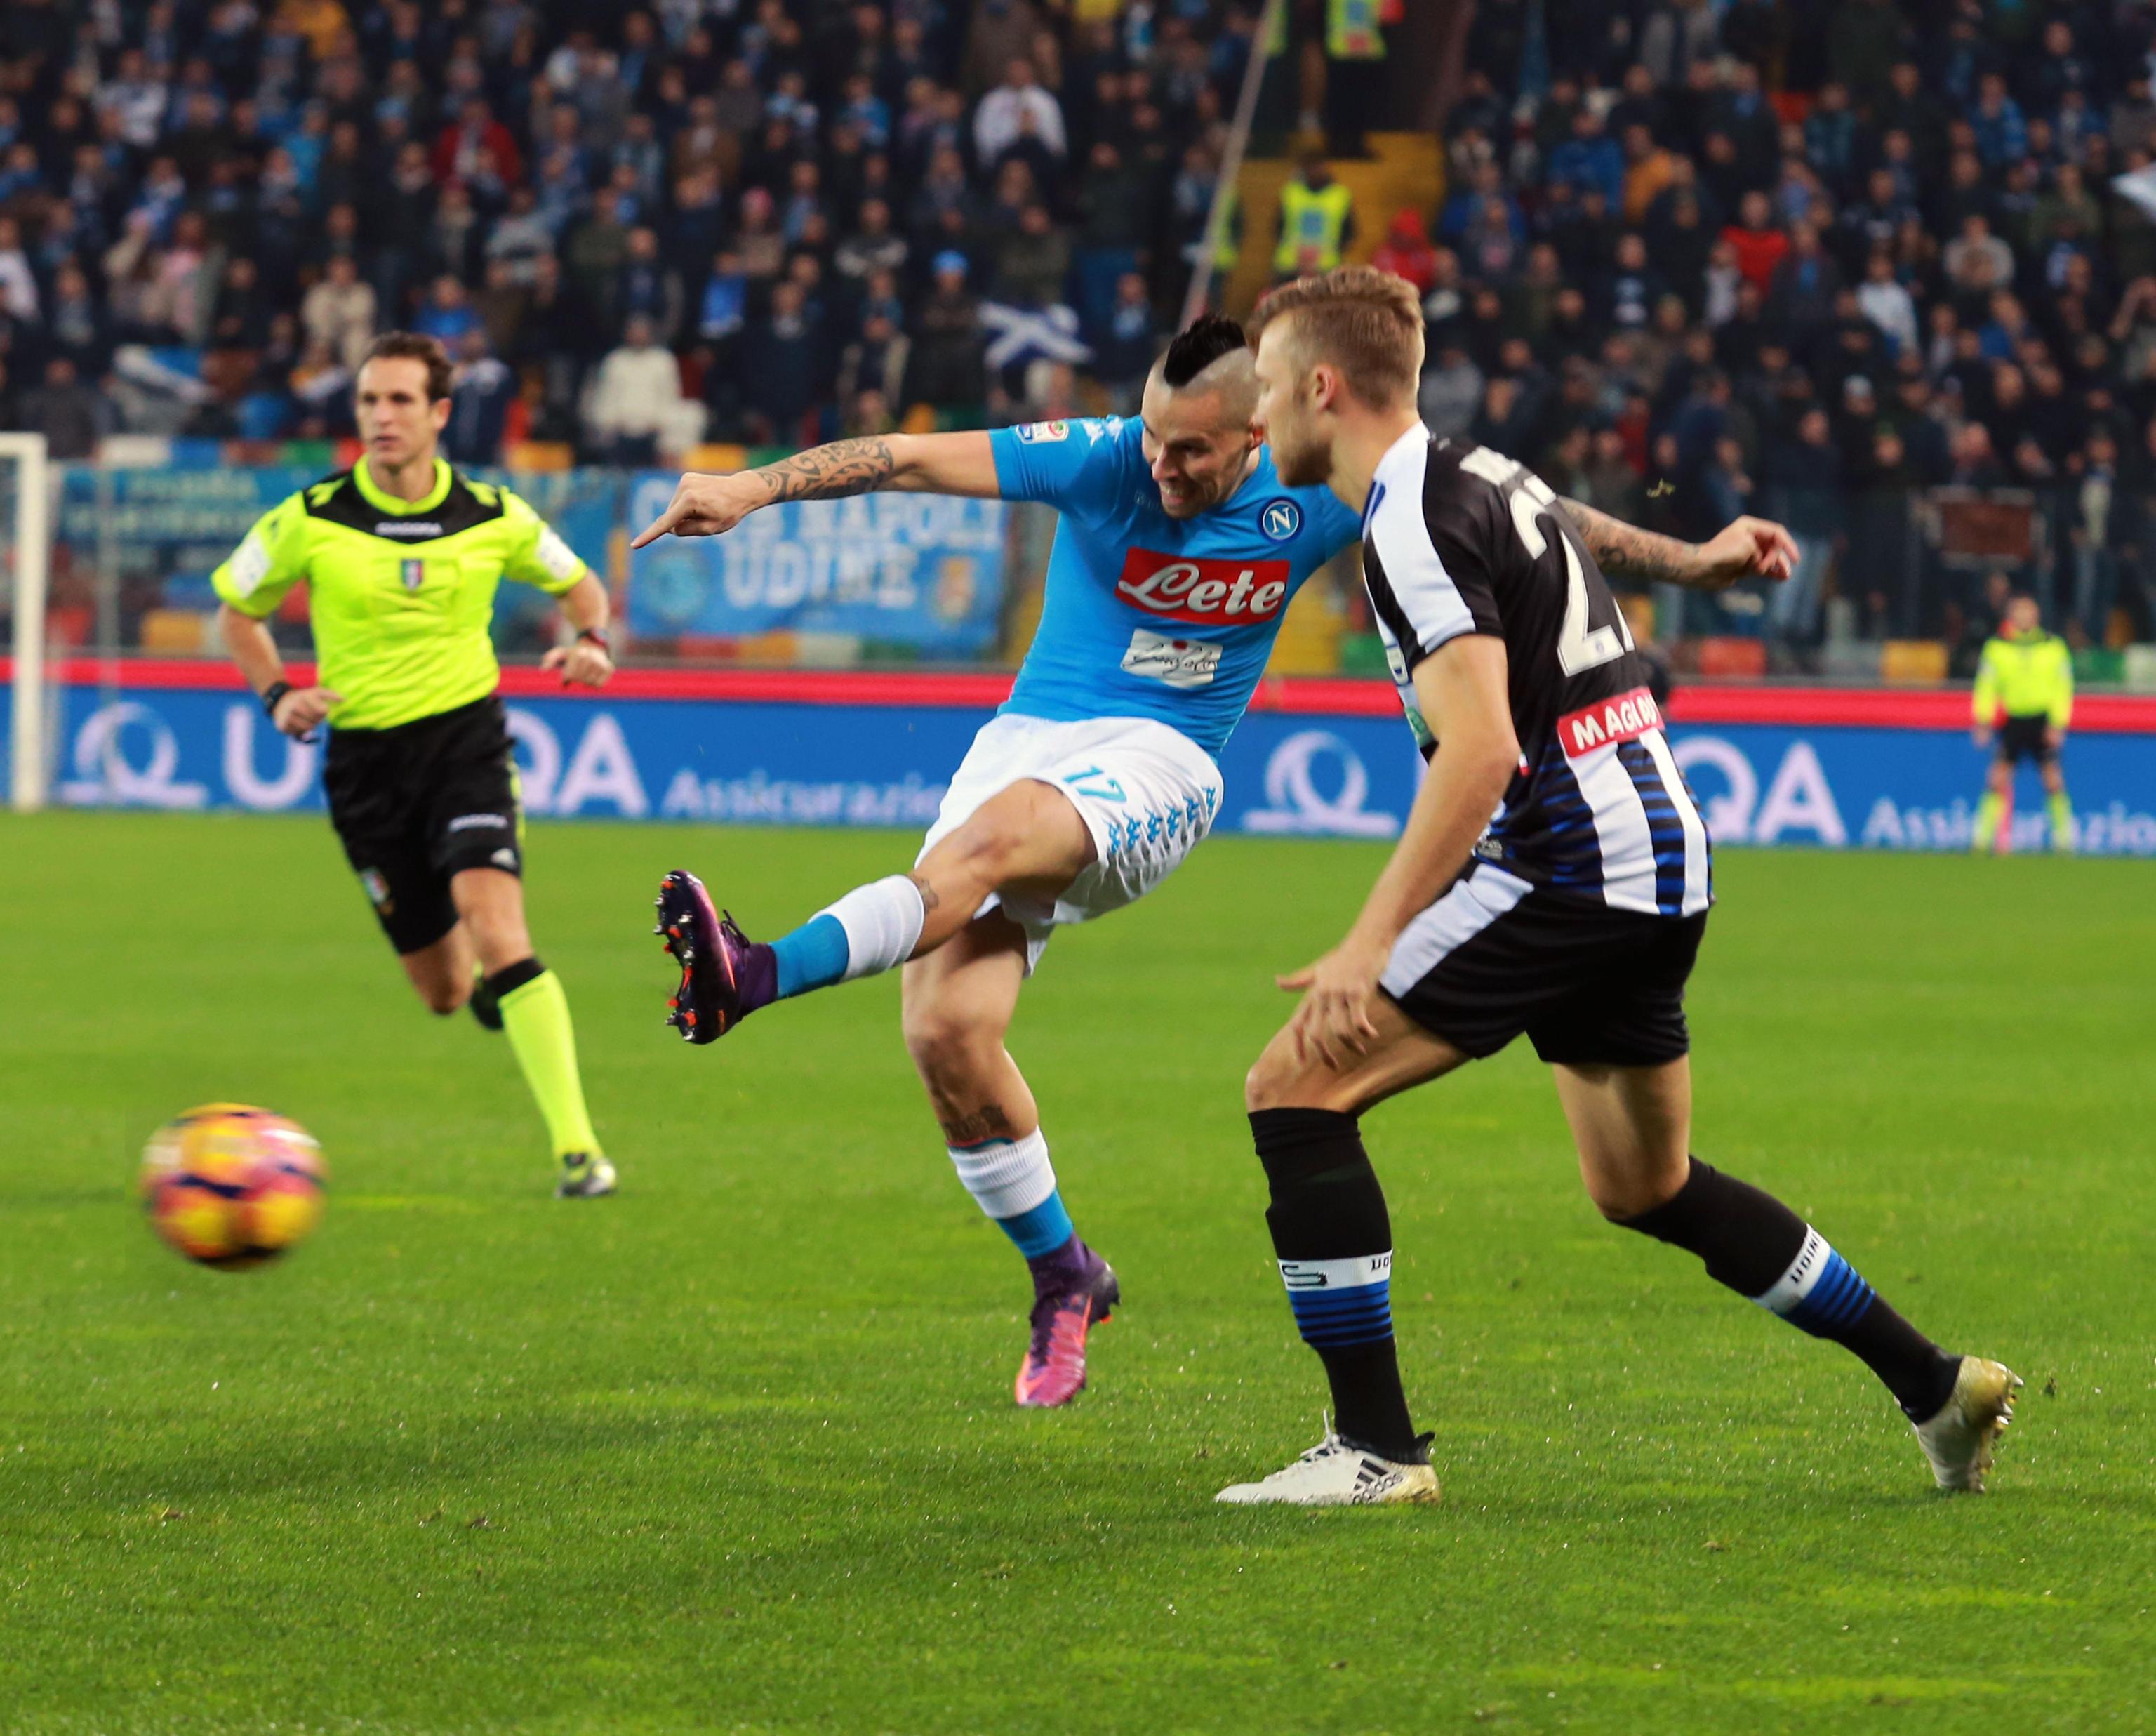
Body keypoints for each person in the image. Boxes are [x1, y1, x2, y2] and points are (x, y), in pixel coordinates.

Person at [1216, 267, 2018, 1506]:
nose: (1256, 412)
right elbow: (1573, 525)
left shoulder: (1405, 518)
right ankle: (1935, 1385)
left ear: (1324, 386)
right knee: (1644, 1183)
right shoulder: (1481, 474)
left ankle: (1375, 1451)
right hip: (1659, 852)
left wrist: (1369, 940)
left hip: (1570, 859)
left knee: (1294, 1088)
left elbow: (1482, 751)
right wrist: (1692, 563)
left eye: (1267, 386)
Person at [632, 316, 1363, 1408]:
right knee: (947, 1034)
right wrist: (753, 488)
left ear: (1256, 433)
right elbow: (909, 457)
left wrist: (1641, 563)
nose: (1161, 466)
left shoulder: (1321, 491)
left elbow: (1497, 516)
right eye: (1153, 440)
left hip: (1164, 759)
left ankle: (756, 971)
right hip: (1027, 740)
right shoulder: (1105, 456)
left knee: (996, 838)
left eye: (1189, 451)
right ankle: (1067, 1273)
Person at [211, 332, 619, 1199]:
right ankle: (485, 984)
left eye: (400, 400)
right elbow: (237, 611)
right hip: (365, 769)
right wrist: (278, 693)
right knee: (442, 991)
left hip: (465, 746)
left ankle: (580, 1153)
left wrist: (592, 639)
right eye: (369, 400)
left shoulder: (494, 514)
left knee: (502, 931)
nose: (381, 417)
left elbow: (583, 587)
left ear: (439, 414)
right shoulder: (310, 515)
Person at [1971, 593, 2075, 853]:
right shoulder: (1997, 647)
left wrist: (2058, 723)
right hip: (2014, 719)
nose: (2024, 616)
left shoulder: (2053, 646)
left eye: (2028, 611)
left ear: (2036, 615)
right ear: (2010, 616)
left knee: (2053, 779)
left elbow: (2063, 687)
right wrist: (1983, 720)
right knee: (1998, 778)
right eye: (2019, 611)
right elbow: (1986, 686)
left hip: (2042, 720)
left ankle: (2065, 841)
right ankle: (1981, 840)